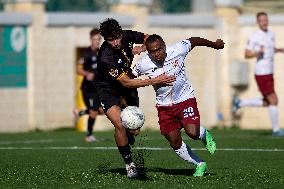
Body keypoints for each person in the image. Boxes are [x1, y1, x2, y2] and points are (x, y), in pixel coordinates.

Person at [132, 34, 224, 177]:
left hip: (185, 99)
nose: (157, 54)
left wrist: (214, 44)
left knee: (192, 132)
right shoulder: (144, 64)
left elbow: (194, 41)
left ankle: (204, 134)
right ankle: (199, 164)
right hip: (164, 107)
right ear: (148, 52)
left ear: (164, 45)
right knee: (174, 142)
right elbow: (128, 78)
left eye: (159, 49)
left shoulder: (177, 49)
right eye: (152, 51)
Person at [95, 18, 176, 178]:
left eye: (117, 37)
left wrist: (144, 47)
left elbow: (150, 38)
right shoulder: (105, 57)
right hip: (108, 89)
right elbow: (127, 83)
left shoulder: (127, 36)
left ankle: (129, 137)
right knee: (119, 124)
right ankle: (129, 164)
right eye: (111, 40)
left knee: (135, 129)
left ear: (120, 32)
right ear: (105, 39)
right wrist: (156, 80)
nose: (116, 42)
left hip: (125, 87)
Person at [232, 12, 284, 136]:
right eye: (261, 20)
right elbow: (246, 54)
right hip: (262, 73)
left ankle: (240, 103)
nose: (264, 22)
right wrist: (257, 53)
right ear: (258, 22)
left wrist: (278, 50)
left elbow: (269, 50)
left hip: (270, 73)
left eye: (265, 20)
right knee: (274, 100)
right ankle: (276, 130)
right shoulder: (255, 36)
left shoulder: (271, 34)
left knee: (268, 102)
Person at [74, 28, 104, 142]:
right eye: (94, 39)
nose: (96, 41)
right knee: (93, 111)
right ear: (91, 40)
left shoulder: (102, 53)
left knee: (102, 111)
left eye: (98, 39)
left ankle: (80, 112)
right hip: (88, 88)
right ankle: (89, 135)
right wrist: (87, 74)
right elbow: (78, 69)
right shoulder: (86, 53)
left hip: (98, 88)